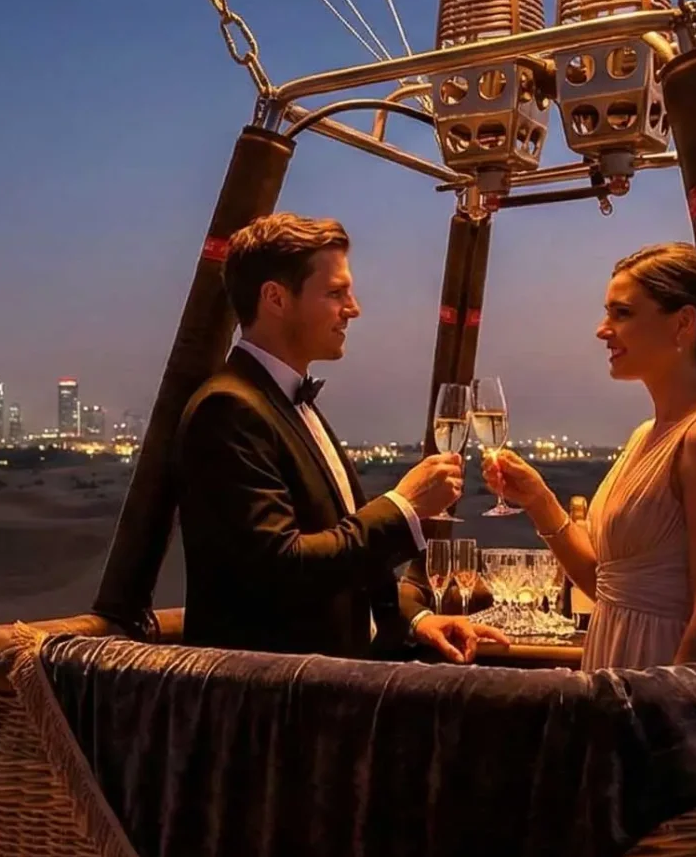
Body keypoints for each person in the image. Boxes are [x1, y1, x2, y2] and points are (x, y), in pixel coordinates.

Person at [178, 213, 505, 663]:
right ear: (275, 298)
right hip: (272, 702)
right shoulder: (228, 409)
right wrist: (403, 506)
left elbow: (338, 550)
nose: (354, 308)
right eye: (335, 293)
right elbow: (283, 567)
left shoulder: (286, 399)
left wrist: (412, 620)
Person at [484, 243, 696, 670]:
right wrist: (538, 500)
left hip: (669, 676)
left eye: (622, 313)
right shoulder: (645, 435)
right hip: (615, 668)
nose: (602, 330)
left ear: (683, 324)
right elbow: (606, 585)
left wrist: (667, 715)